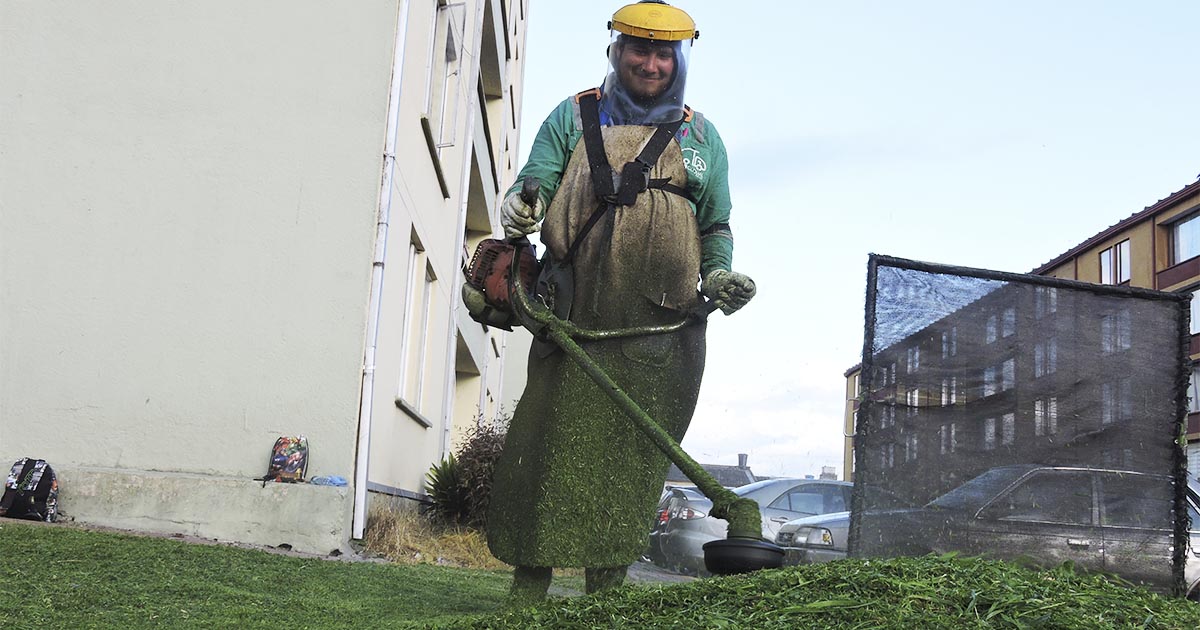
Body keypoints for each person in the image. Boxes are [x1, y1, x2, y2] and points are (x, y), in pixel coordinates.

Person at [481, 1, 756, 603]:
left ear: (679, 59)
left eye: (664, 53)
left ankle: (607, 592)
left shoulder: (702, 137)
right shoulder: (572, 115)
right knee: (548, 448)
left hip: (662, 331)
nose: (651, 63)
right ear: (616, 50)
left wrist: (718, 277)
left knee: (629, 459)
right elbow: (536, 181)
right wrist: (524, 204)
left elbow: (717, 226)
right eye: (640, 49)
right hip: (573, 318)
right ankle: (529, 589)